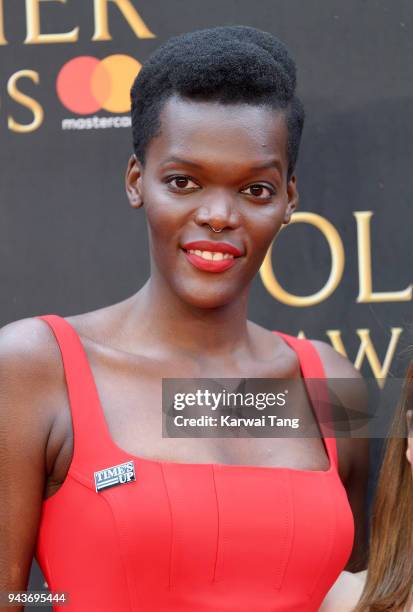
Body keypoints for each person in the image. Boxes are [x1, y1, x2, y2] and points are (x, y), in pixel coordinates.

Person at [0, 26, 368, 611]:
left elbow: (366, 591)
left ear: (289, 198)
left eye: (254, 188)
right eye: (184, 181)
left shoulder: (332, 384)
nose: (218, 215)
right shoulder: (34, 367)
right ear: (135, 181)